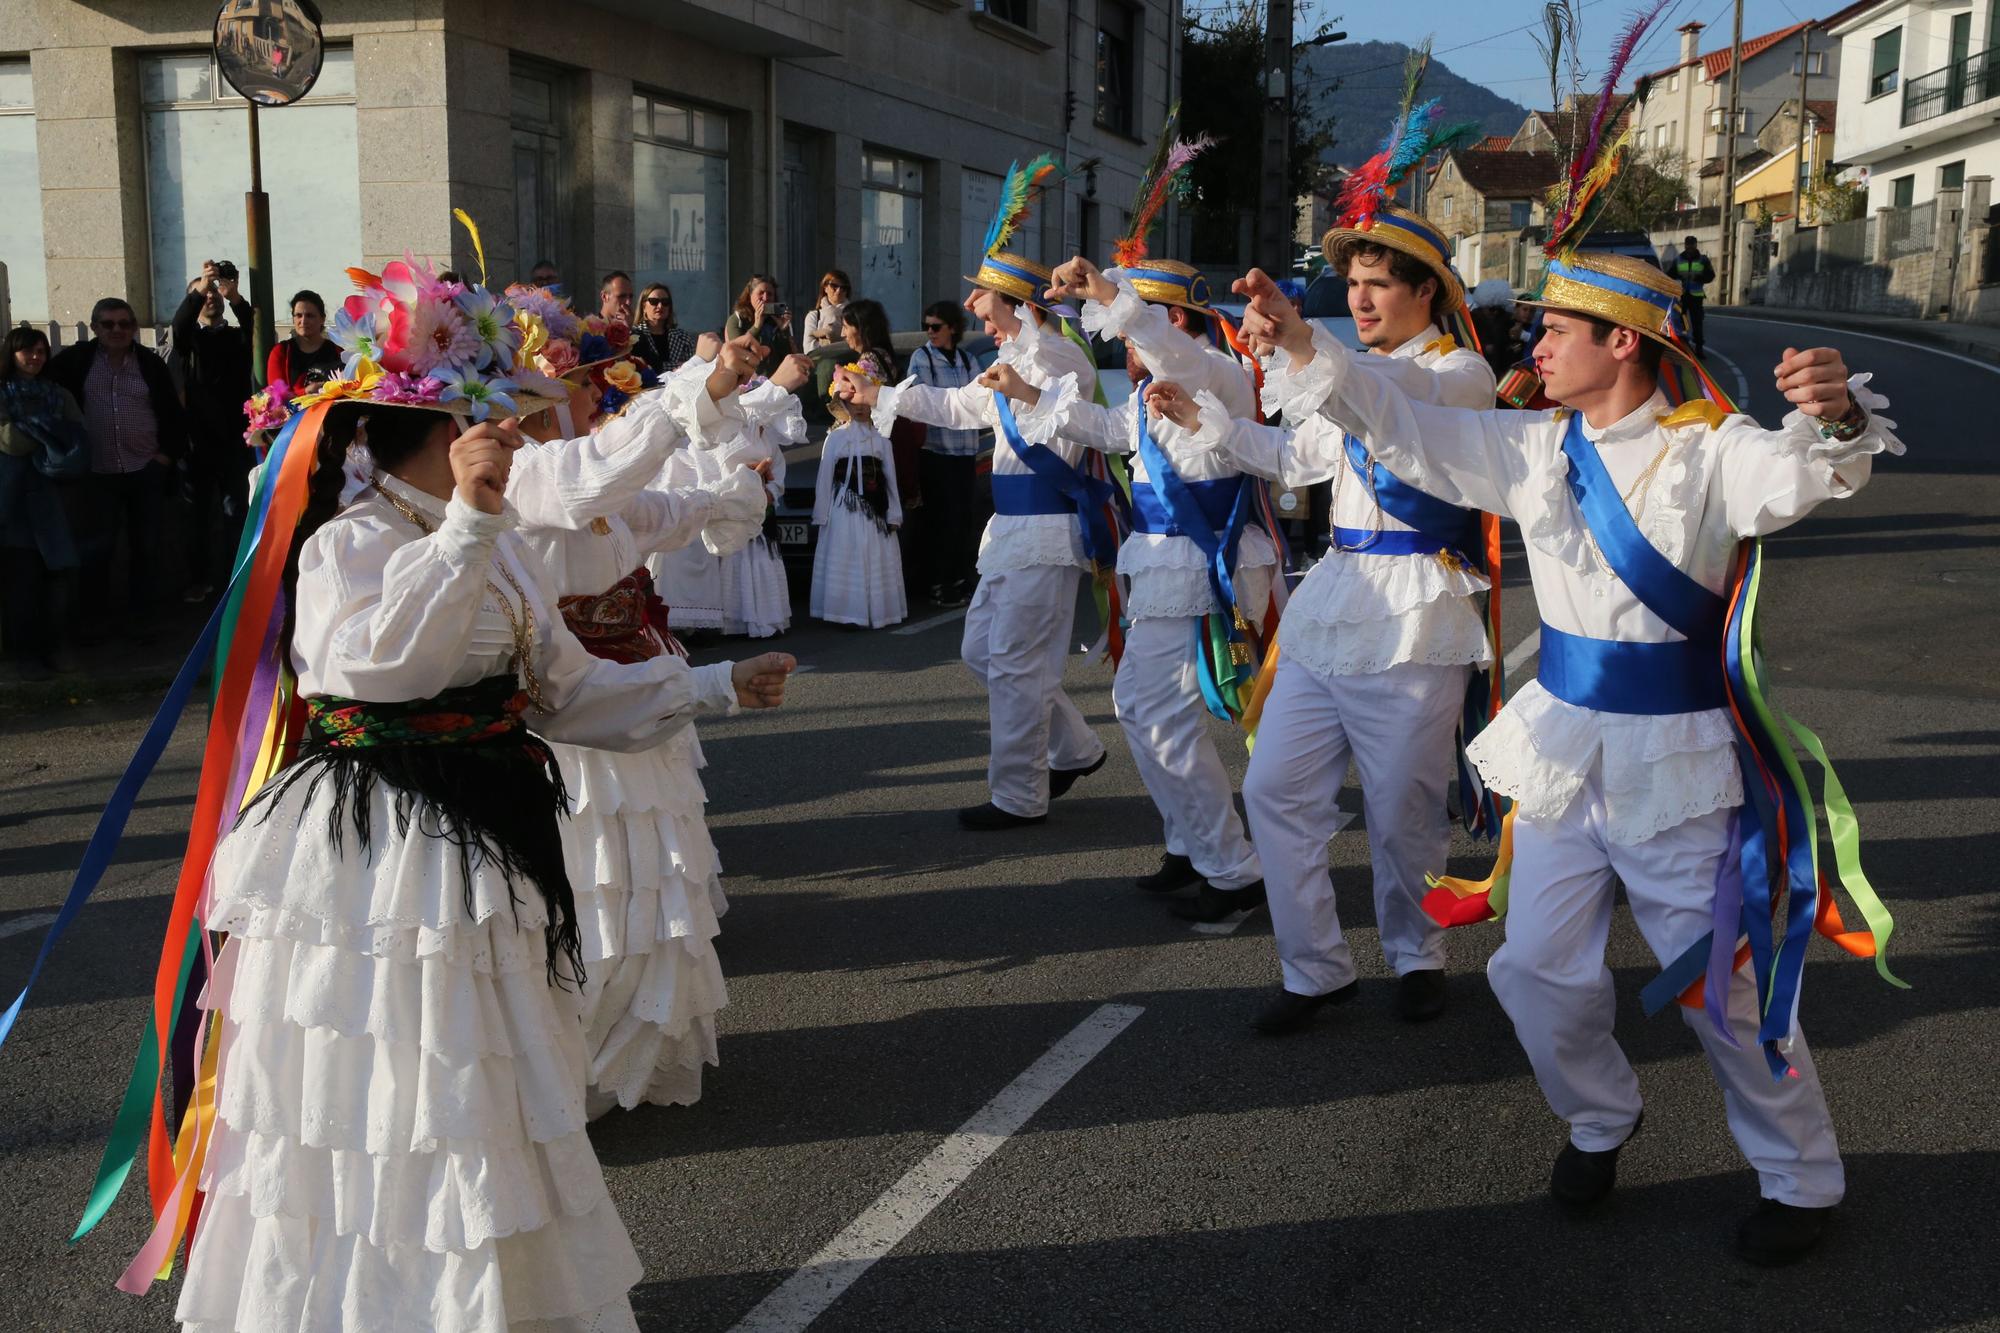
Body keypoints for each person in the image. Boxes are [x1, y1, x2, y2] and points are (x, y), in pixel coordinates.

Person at [1234, 247, 1900, 1265]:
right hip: (1559, 748)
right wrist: (1294, 338)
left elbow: (1802, 473)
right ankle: (1597, 1116)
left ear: (1620, 342)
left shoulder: (1713, 450)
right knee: (1532, 970)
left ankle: (1799, 1176)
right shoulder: (1533, 447)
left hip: (1673, 761)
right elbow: (1401, 424)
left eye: (1554, 330)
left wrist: (1835, 415)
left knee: (1710, 986)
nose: (1531, 343)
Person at [169, 256, 798, 1331]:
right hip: (378, 852)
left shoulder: (496, 549)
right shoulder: (351, 544)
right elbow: (375, 666)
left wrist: (711, 686)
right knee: (385, 1090)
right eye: (499, 420)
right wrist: (465, 520)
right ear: (443, 433)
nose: (518, 435)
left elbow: (566, 693)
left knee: (489, 1084)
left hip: (487, 839)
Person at [1146, 200, 1500, 1034]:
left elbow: (1388, 396)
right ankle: (1314, 967)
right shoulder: (1348, 375)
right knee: (1274, 788)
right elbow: (1293, 457)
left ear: (1431, 293)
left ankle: (1417, 953)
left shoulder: (1458, 374)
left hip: (1419, 603)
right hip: (1337, 592)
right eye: (1353, 283)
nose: (1364, 299)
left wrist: (1304, 341)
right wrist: (1203, 422)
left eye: (1379, 284)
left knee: (1403, 805)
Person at [507, 328, 776, 1116]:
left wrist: (733, 485)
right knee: (593, 889)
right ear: (535, 402)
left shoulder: (588, 478)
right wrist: (700, 386)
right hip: (575, 726)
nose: (598, 394)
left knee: (651, 888)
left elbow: (670, 508)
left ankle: (631, 1058)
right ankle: (572, 1076)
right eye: (583, 383)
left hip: (641, 710)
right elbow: (594, 480)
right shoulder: (527, 474)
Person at [1001, 249, 1272, 922]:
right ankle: (1190, 839)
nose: (1124, 346)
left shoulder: (1221, 379)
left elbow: (1187, 365)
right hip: (1161, 568)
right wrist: (1028, 395)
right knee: (1145, 708)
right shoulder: (1155, 392)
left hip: (1205, 568)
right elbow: (1111, 427)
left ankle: (1231, 865)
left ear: (1171, 318)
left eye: (1130, 332)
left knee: (1156, 711)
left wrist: (1115, 300)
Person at [840, 233, 1109, 832]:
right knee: (984, 653)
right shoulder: (1011, 360)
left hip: (1044, 532)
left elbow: (1064, 410)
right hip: (1011, 531)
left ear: (1017, 304)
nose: (980, 322)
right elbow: (958, 407)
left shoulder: (1058, 359)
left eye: (987, 309)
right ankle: (1077, 749)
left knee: (1015, 664)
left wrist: (1025, 353)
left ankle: (1018, 796)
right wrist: (876, 394)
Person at [46, 295, 187, 637]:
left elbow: (173, 413)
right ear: (94, 327)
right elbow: (43, 389)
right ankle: (94, 623)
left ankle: (144, 623)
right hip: (97, 472)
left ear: (135, 328)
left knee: (147, 548)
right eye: (108, 324)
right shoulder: (76, 362)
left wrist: (165, 457)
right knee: (97, 550)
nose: (117, 330)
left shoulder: (150, 364)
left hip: (145, 469)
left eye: (124, 323)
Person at [0, 327, 86, 678]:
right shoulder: (3, 394)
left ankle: (57, 648)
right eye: (27, 352)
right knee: (20, 581)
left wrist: (36, 431)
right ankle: (23, 655)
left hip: (54, 497)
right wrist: (49, 433)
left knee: (59, 577)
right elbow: (8, 441)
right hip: (13, 498)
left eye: (40, 351)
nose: (34, 358)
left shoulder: (58, 394)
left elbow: (77, 439)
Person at [172, 259, 257, 602]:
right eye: (203, 294)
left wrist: (233, 295)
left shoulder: (235, 337)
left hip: (234, 438)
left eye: (214, 293)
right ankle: (198, 580)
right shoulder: (189, 339)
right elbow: (179, 325)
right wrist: (200, 288)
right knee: (198, 515)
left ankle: (231, 581)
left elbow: (254, 325)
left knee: (236, 512)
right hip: (198, 440)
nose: (210, 297)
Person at [818, 360, 907, 627]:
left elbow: (890, 480)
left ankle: (878, 611)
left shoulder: (881, 441)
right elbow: (824, 479)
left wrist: (894, 512)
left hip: (876, 510)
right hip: (843, 510)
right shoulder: (835, 439)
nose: (858, 407)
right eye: (851, 401)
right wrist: (821, 514)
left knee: (875, 554)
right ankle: (845, 612)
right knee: (846, 555)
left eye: (862, 401)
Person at [908, 300, 983, 605]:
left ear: (952, 328)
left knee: (964, 518)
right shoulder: (921, 357)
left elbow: (978, 396)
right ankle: (939, 582)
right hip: (936, 451)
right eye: (927, 326)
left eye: (936, 327)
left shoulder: (967, 360)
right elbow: (920, 396)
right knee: (942, 519)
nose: (930, 332)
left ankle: (960, 577)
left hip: (965, 451)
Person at [265, 288, 345, 391]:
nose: (303, 321)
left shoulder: (338, 353)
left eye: (309, 316)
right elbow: (276, 396)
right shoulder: (281, 352)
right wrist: (306, 392)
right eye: (298, 315)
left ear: (322, 319)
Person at [723, 274, 794, 377]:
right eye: (761, 293)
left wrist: (784, 330)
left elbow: (788, 357)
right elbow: (735, 352)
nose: (765, 298)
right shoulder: (737, 319)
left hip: (775, 381)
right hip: (747, 381)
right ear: (750, 295)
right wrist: (756, 326)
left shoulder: (778, 320)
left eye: (770, 294)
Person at [633, 281, 697, 374]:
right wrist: (679, 366)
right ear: (644, 306)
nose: (660, 306)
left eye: (665, 302)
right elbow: (641, 367)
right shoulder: (635, 336)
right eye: (654, 301)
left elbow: (693, 369)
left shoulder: (683, 338)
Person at [1671, 236, 1715, 358]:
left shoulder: (1703, 260)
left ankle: (1699, 349)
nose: (1690, 248)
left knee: (1697, 323)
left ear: (1696, 245)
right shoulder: (1678, 260)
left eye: (1692, 245)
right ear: (1685, 245)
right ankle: (1684, 347)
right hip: (1682, 297)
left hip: (1696, 297)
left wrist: (1700, 278)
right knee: (1681, 323)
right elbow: (1670, 274)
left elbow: (1711, 275)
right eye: (1688, 245)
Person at [802, 270, 851, 352]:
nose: (839, 290)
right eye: (834, 286)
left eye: (843, 287)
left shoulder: (853, 314)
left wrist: (823, 340)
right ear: (825, 288)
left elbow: (857, 345)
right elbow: (809, 349)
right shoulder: (814, 316)